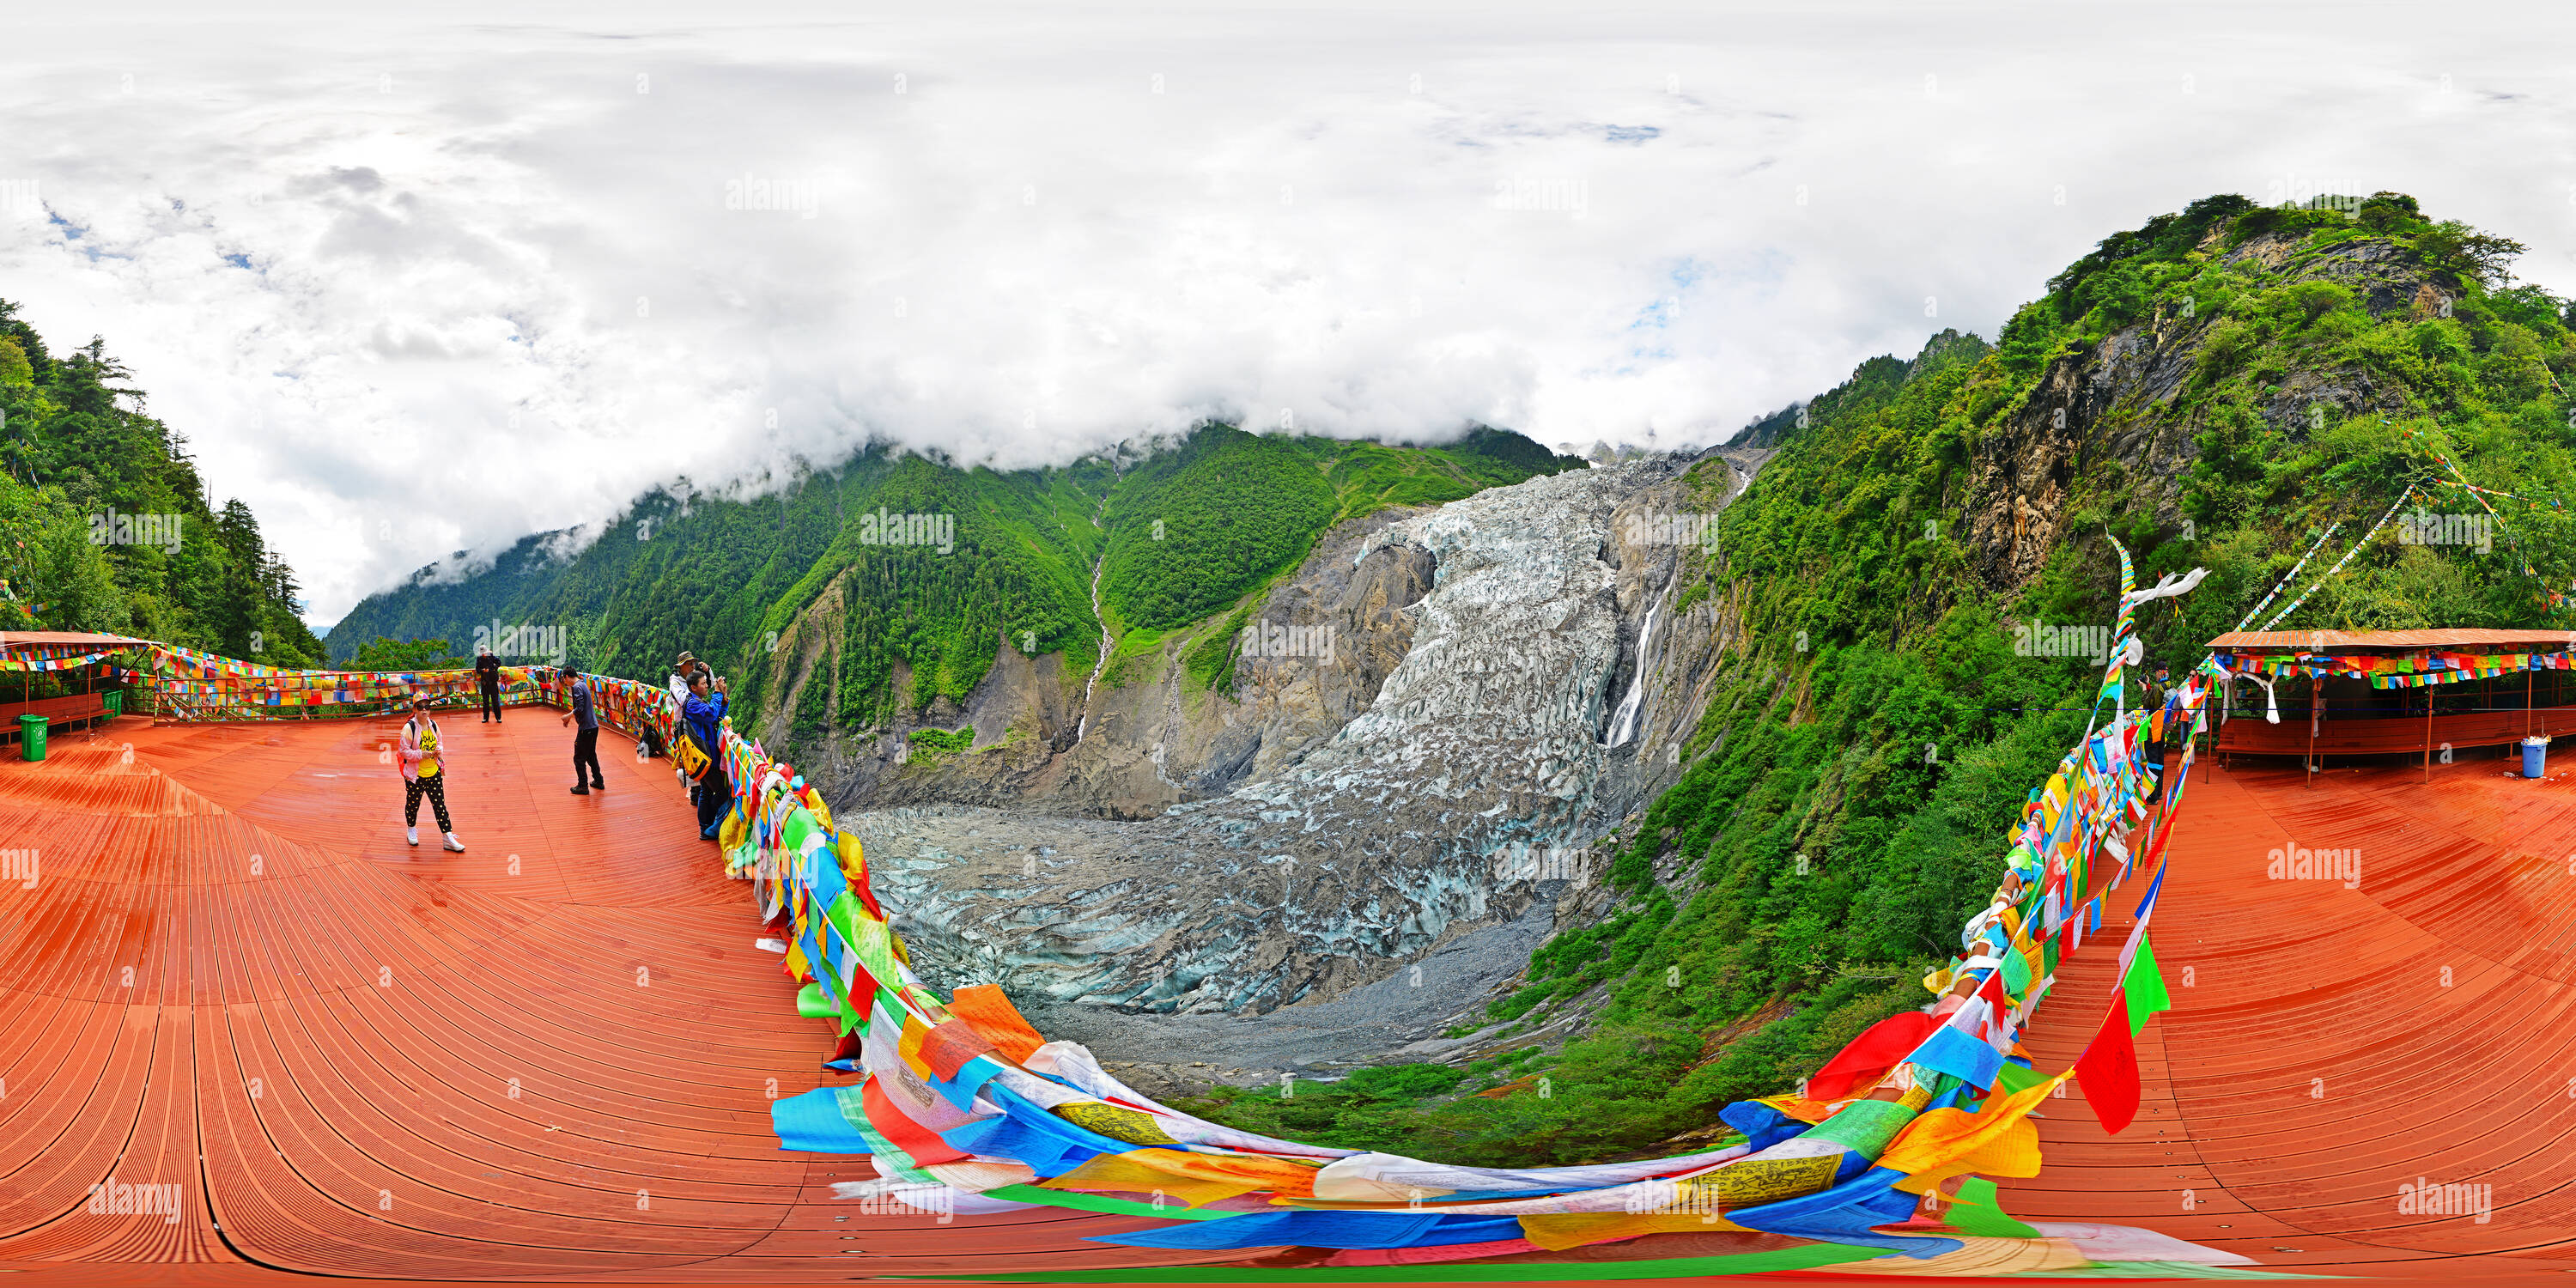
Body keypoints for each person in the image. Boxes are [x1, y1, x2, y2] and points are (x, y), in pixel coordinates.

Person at [398, 695, 465, 852]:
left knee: (440, 806)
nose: (424, 710)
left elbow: (440, 742)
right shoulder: (409, 728)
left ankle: (447, 836)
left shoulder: (433, 725)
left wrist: (437, 751)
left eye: (427, 707)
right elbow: (403, 751)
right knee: (413, 804)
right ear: (414, 709)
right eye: (420, 707)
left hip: (433, 772)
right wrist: (421, 754)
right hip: (416, 776)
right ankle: (411, 829)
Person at [682, 670, 731, 840]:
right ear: (693, 687)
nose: (707, 686)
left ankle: (705, 827)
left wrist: (723, 698)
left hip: (706, 756)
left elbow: (717, 716)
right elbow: (710, 715)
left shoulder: (698, 702)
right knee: (722, 793)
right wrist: (717, 694)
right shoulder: (693, 704)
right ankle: (708, 825)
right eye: (703, 684)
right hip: (704, 757)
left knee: (706, 791)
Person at [561, 665, 606, 794]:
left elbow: (580, 707)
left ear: (567, 677)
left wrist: (568, 716)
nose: (565, 682)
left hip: (586, 728)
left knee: (579, 758)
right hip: (594, 726)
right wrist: (570, 718)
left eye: (564, 680)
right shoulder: (583, 684)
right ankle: (598, 780)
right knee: (591, 755)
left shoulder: (576, 687)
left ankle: (583, 785)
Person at [474, 647, 503, 723]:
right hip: (484, 683)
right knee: (485, 702)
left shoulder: (491, 656)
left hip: (493, 682)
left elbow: (499, 662)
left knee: (495, 701)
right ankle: (485, 718)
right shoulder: (479, 659)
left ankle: (498, 718)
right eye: (482, 653)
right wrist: (482, 670)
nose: (484, 654)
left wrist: (494, 667)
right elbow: (477, 669)